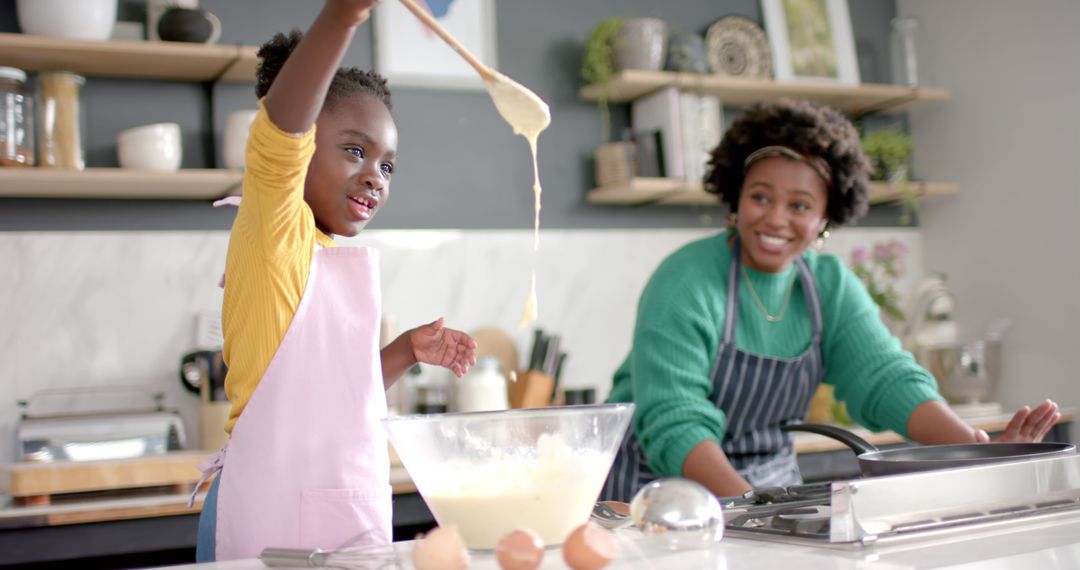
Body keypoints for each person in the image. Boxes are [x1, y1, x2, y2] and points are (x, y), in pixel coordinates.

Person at [601, 98, 1060, 501]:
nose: (776, 218)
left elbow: (885, 379)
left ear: (825, 218)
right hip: (658, 497)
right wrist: (754, 511)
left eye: (800, 205)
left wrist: (974, 451)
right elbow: (675, 422)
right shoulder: (685, 281)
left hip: (767, 490)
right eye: (761, 197)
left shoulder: (829, 285)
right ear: (735, 199)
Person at [192, 0, 477, 560]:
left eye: (387, 165)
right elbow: (278, 137)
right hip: (267, 515)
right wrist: (343, 17)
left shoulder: (323, 252)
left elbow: (329, 400)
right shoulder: (276, 224)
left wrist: (403, 352)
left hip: (336, 518)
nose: (374, 175)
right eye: (354, 150)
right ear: (300, 153)